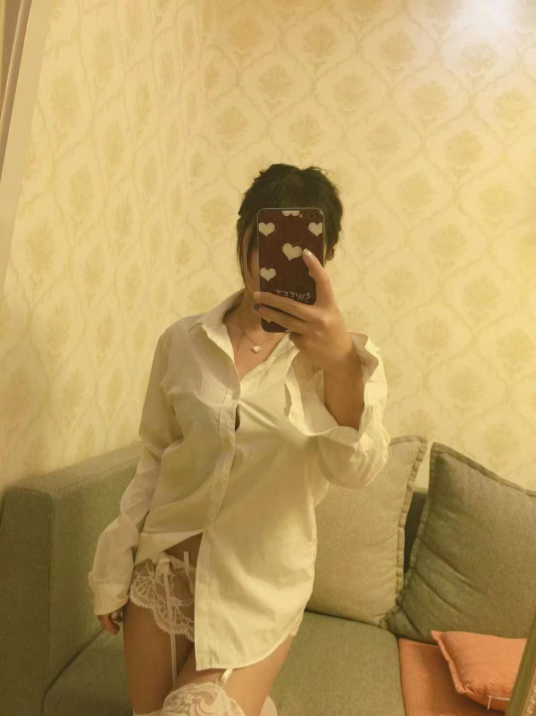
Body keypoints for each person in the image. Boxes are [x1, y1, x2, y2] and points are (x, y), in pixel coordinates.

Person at [87, 163, 391, 716]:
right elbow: (155, 459)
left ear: (326, 257)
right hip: (162, 575)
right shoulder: (183, 341)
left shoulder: (342, 359)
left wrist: (341, 365)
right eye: (269, 237)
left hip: (258, 589)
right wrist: (114, 566)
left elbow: (355, 470)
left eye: (308, 247)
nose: (284, 258)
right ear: (244, 237)